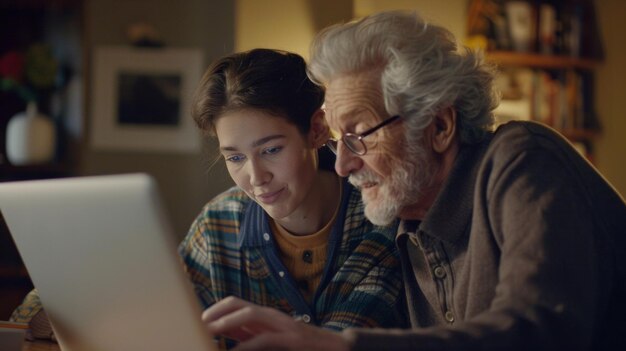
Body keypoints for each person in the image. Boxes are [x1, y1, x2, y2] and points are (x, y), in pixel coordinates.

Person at [200, 11, 626, 351]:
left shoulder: (522, 160)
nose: (343, 165)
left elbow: (536, 333)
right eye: (337, 140)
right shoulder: (406, 227)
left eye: (359, 135)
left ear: (439, 125)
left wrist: (338, 346)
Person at [10, 48, 408, 345]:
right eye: (234, 157)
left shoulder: (380, 217)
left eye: (271, 149)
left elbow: (346, 338)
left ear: (317, 130)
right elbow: (155, 305)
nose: (255, 178)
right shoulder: (219, 223)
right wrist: (65, 300)